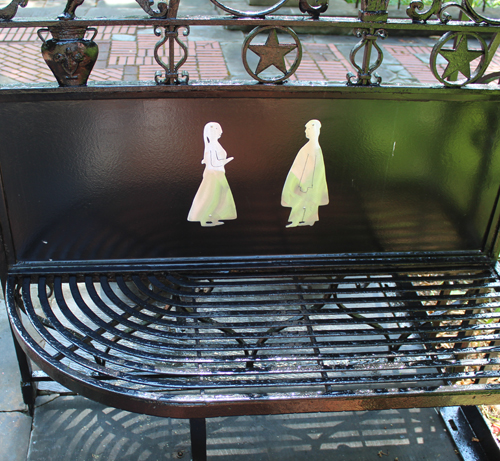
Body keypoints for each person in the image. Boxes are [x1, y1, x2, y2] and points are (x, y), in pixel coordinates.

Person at [188, 122, 237, 227]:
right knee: (212, 197)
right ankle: (204, 219)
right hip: (214, 175)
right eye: (218, 129)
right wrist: (227, 161)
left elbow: (208, 160)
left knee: (221, 196)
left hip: (218, 173)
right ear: (212, 132)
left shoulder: (214, 145)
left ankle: (214, 217)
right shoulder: (211, 146)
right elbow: (214, 162)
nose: (221, 132)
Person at [281, 119, 329, 227]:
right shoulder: (309, 147)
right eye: (306, 129)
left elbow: (315, 169)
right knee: (302, 199)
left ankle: (301, 220)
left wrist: (308, 183)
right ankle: (304, 220)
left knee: (305, 200)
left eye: (308, 129)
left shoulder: (314, 148)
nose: (306, 131)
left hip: (307, 182)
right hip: (303, 180)